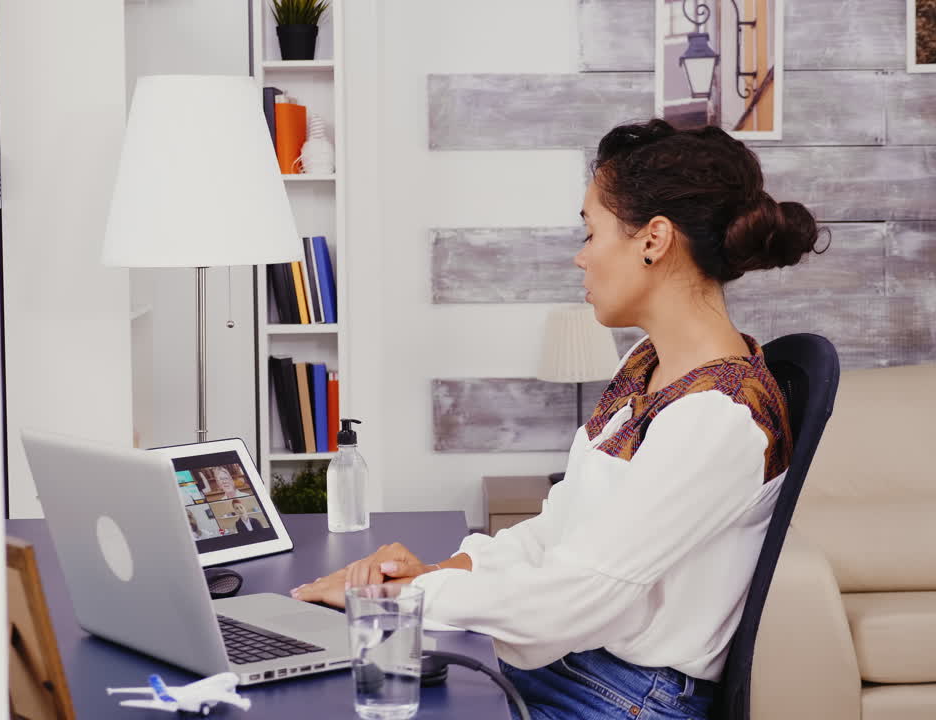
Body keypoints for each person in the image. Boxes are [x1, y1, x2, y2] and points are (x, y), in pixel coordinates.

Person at [289, 120, 822, 720]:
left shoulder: (717, 417)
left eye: (590, 230)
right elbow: (558, 532)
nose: (581, 255)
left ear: (654, 239)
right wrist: (440, 571)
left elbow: (574, 595)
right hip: (573, 667)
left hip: (625, 699)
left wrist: (399, 595)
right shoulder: (648, 364)